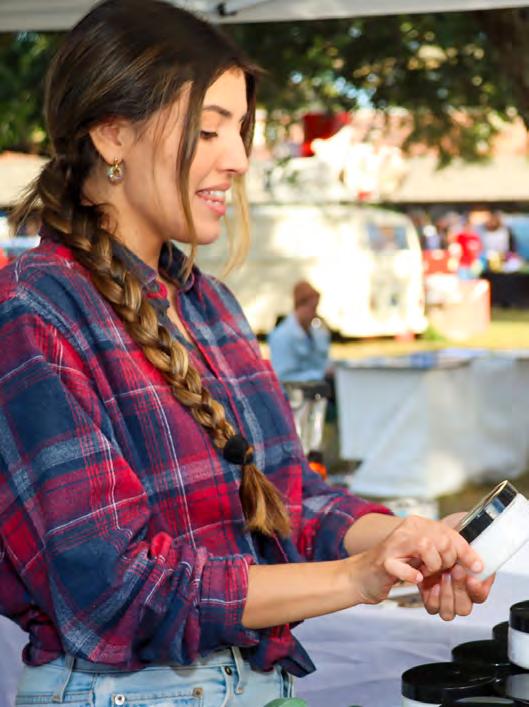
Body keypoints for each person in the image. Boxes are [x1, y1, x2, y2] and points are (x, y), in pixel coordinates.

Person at [0, 2, 493, 706]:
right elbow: (114, 589)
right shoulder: (35, 310)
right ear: (112, 133)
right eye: (207, 130)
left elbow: (288, 499)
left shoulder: (210, 306)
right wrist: (355, 576)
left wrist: (409, 539)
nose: (237, 158)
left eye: (240, 130)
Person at [268, 280, 331, 383]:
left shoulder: (315, 332)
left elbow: (322, 360)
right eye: (313, 308)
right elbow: (284, 377)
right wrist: (320, 374)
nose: (315, 314)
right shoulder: (281, 336)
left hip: (318, 388)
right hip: (295, 392)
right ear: (300, 306)